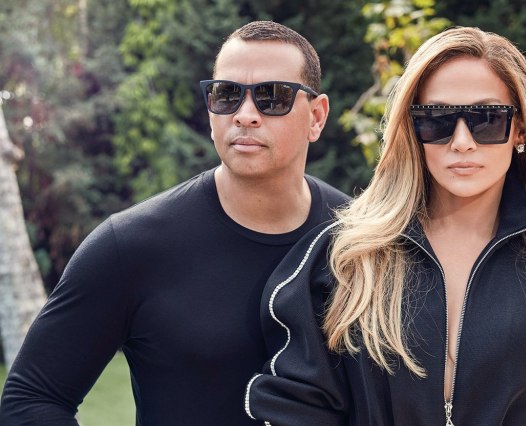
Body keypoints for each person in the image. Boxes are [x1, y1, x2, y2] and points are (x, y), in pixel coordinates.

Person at [245, 26, 526, 425]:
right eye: (437, 119)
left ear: (520, 128)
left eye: (487, 119)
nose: (461, 142)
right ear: (413, 129)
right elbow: (295, 407)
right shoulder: (343, 260)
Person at [0, 21, 349, 425]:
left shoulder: (360, 241)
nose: (245, 115)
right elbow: (31, 399)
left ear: (316, 116)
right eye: (227, 94)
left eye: (272, 97)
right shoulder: (130, 246)